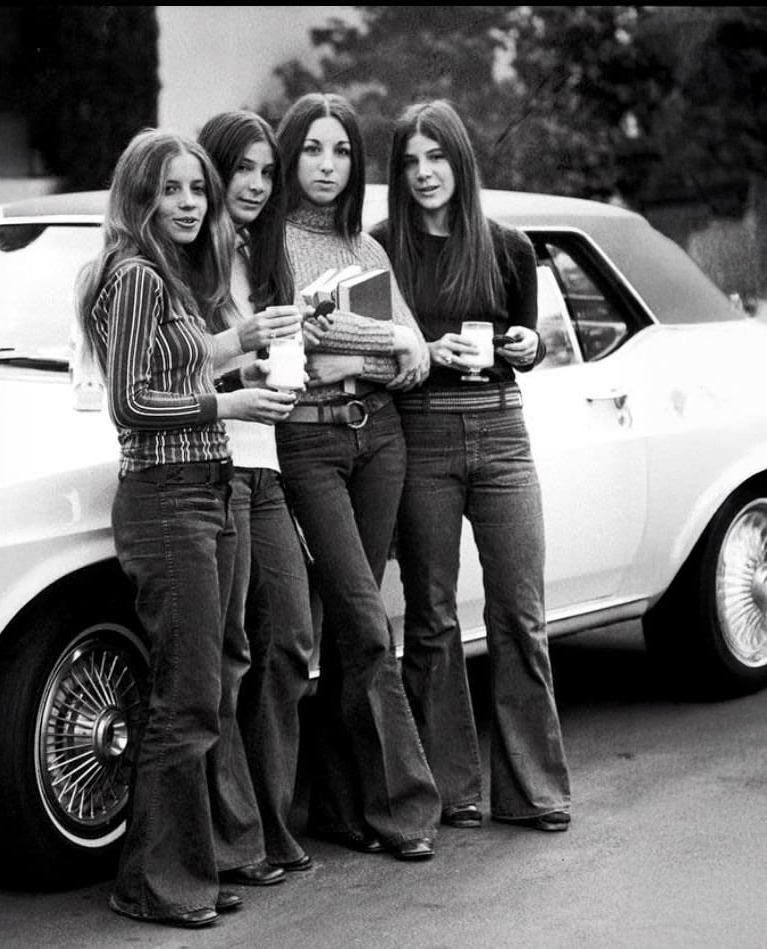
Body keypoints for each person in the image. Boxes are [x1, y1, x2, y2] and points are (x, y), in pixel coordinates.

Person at [75, 128, 297, 928]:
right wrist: (230, 401)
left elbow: (176, 366)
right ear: (140, 197)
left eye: (197, 188)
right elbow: (132, 402)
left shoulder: (166, 274)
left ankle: (182, 870)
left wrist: (241, 354)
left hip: (206, 486)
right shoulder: (136, 274)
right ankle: (155, 883)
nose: (190, 203)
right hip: (168, 497)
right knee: (188, 695)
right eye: (171, 189)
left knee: (197, 693)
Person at [374, 99, 571, 834]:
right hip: (421, 431)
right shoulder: (381, 249)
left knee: (520, 610)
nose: (425, 174)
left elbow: (530, 340)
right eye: (410, 162)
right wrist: (425, 354)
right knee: (430, 615)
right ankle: (452, 789)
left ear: (461, 160)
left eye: (437, 157)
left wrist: (529, 345)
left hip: (502, 429)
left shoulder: (509, 246)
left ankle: (534, 790)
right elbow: (373, 351)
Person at [274, 91, 441, 862]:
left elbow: (417, 356)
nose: (327, 165)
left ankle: (342, 808)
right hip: (309, 445)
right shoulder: (271, 243)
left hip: (381, 440)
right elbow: (300, 340)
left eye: (341, 150)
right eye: (313, 148)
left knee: (354, 630)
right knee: (368, 621)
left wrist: (368, 349)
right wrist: (384, 342)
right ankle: (405, 808)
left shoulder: (368, 249)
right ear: (291, 155)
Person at [197, 109, 316, 875]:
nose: (257, 184)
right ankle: (233, 835)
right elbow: (170, 366)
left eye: (268, 172)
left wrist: (287, 364)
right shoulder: (187, 257)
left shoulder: (264, 258)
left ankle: (269, 817)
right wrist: (241, 363)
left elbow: (285, 359)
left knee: (293, 639)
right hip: (215, 462)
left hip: (265, 464)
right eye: (242, 167)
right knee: (227, 654)